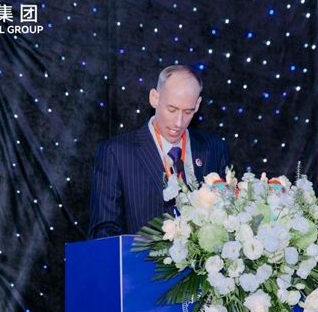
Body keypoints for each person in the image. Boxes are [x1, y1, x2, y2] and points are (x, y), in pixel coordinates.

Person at [88, 65, 230, 239]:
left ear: (198, 104)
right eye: (172, 109)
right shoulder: (116, 153)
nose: (178, 122)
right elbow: (103, 232)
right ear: (154, 98)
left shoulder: (215, 148)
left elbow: (228, 216)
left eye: (188, 111)